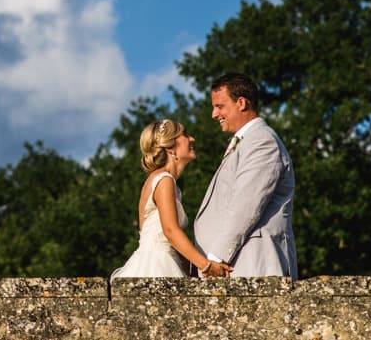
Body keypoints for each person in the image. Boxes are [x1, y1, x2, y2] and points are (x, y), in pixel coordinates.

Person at [192, 72, 298, 278]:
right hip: (238, 262)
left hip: (251, 261)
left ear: (241, 103)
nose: (214, 114)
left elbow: (246, 205)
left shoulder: (261, 141)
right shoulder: (247, 140)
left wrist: (214, 261)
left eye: (219, 106)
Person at [111, 119, 231, 278]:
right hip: (158, 265)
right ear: (170, 148)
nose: (192, 139)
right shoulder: (164, 180)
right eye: (185, 135)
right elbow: (170, 231)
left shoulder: (157, 180)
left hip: (157, 261)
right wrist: (206, 266)